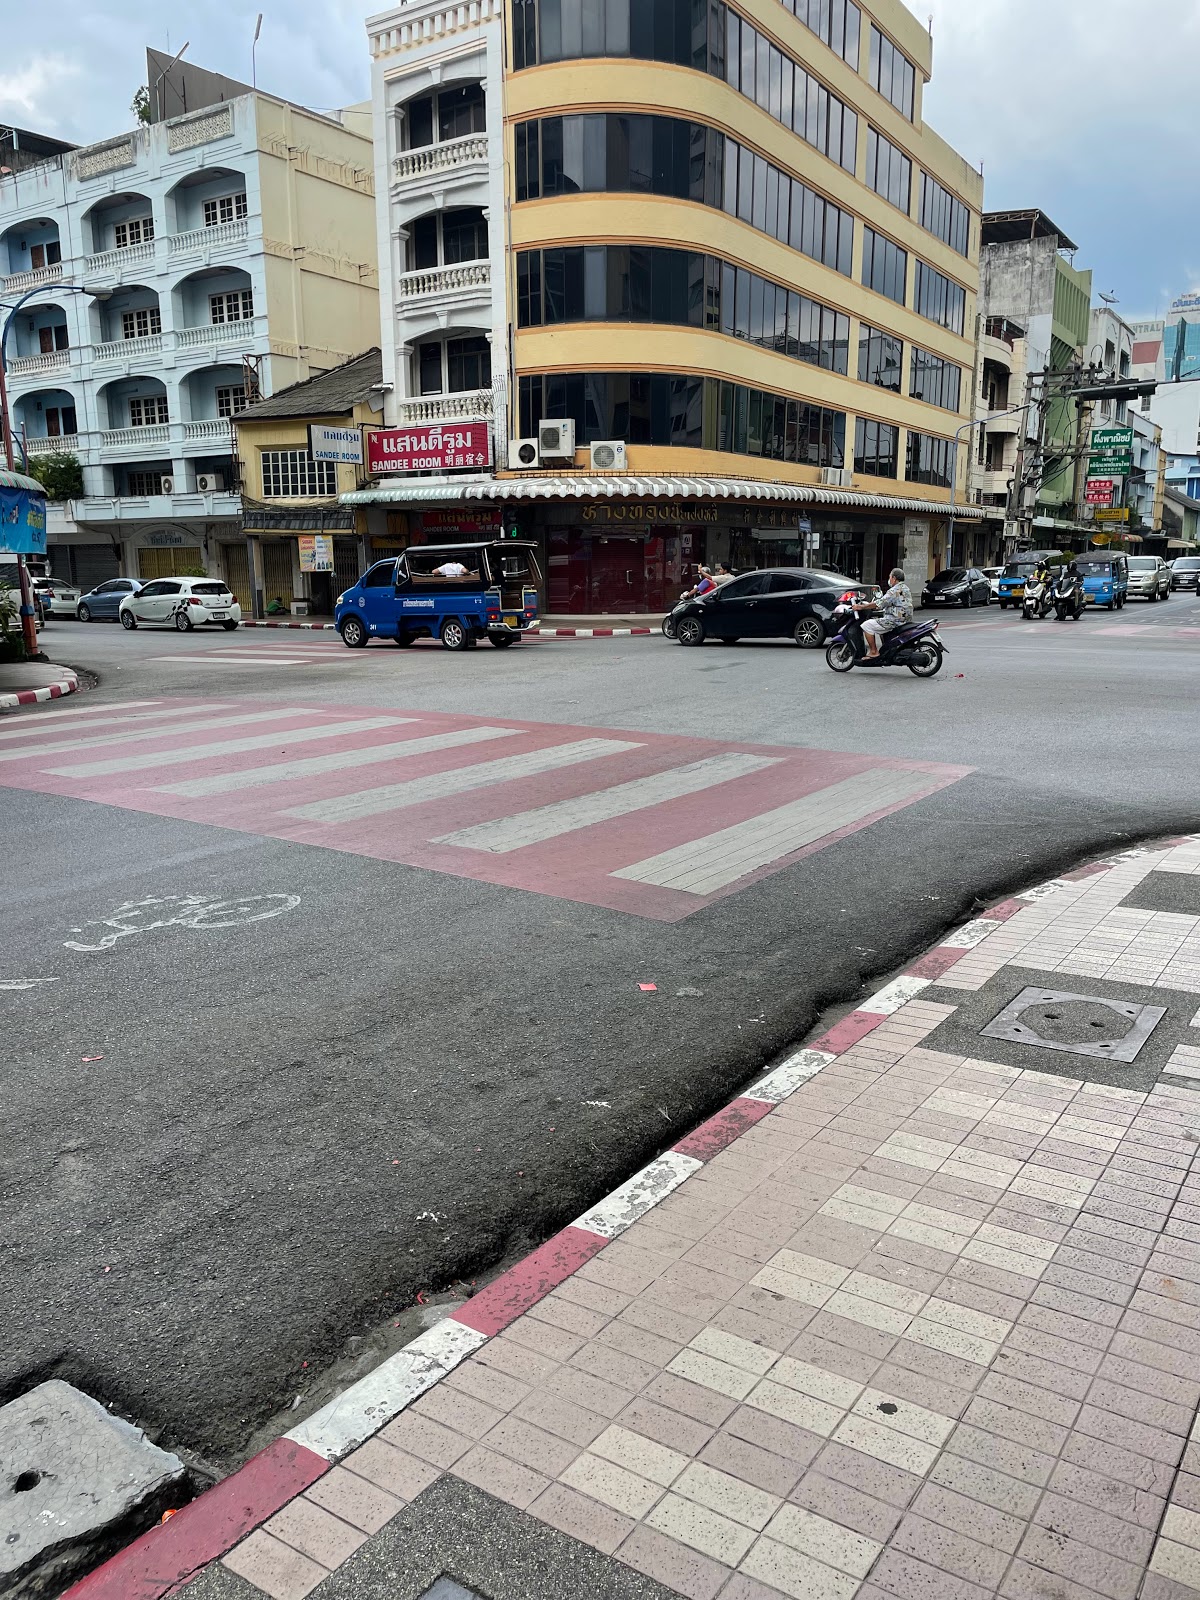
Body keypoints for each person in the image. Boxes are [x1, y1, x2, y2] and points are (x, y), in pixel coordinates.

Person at [861, 567, 913, 662]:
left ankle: (874, 652)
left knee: (866, 625)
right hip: (905, 619)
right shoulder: (905, 588)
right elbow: (892, 602)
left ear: (894, 578)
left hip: (895, 620)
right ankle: (887, 652)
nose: (889, 579)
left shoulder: (894, 590)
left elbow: (880, 602)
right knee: (880, 627)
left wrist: (861, 607)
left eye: (890, 577)